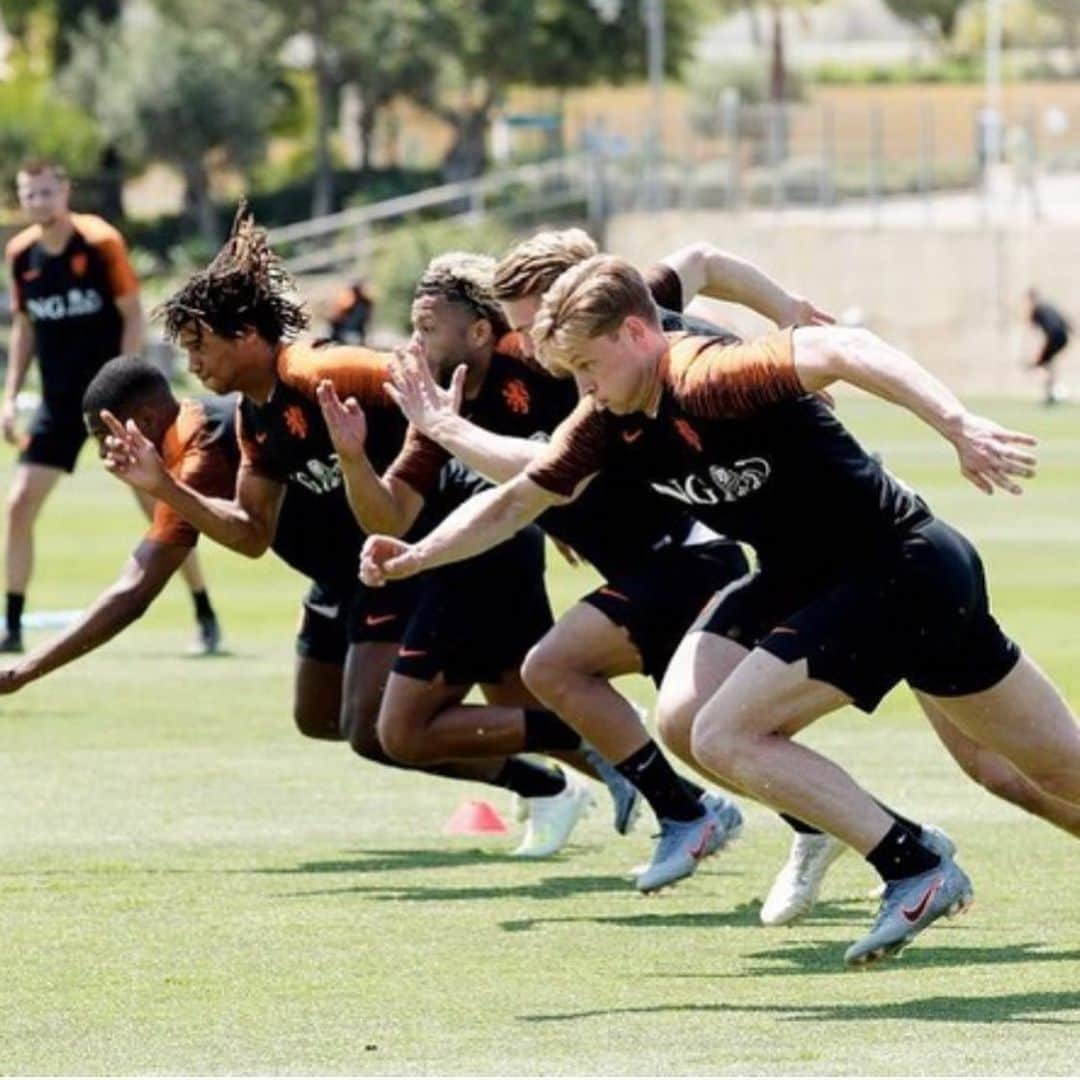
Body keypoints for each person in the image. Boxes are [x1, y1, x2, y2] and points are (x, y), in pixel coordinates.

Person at [359, 254, 1080, 967]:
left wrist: (956, 424)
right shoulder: (608, 417)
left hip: (901, 566)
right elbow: (520, 499)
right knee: (699, 723)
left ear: (638, 335)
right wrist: (417, 558)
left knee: (1042, 771)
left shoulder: (706, 377)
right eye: (570, 373)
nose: (581, 389)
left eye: (587, 367)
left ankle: (913, 864)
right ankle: (892, 851)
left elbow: (844, 347)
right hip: (809, 579)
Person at [101, 207, 614, 858]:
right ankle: (611, 781)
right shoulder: (255, 420)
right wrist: (164, 488)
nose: (194, 363)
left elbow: (429, 390)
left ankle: (620, 773)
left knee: (396, 726)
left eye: (201, 344)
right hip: (373, 563)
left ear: (247, 334)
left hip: (440, 554)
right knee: (336, 719)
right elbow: (252, 533)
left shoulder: (326, 371)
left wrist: (534, 493)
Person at [2, 159, 222, 655]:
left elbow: (131, 316)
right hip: (59, 404)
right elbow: (25, 328)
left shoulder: (100, 243)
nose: (37, 201)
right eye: (28, 193)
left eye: (46, 191)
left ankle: (205, 614)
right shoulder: (21, 254)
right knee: (18, 505)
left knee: (163, 508)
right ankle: (11, 624)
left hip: (110, 405)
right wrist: (11, 396)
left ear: (65, 192)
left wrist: (126, 387)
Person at [0, 358, 236, 694]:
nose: (103, 453)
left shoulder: (197, 457)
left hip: (337, 543)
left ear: (147, 420)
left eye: (104, 436)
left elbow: (133, 592)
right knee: (312, 715)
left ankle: (205, 612)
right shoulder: (192, 431)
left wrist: (21, 673)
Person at [1026, 288, 1071, 406]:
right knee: (1047, 363)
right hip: (1063, 337)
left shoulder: (1038, 309)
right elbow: (1067, 324)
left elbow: (1050, 329)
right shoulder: (1048, 306)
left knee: (1042, 364)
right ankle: (1053, 390)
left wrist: (1041, 354)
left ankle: (1055, 391)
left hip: (1054, 336)